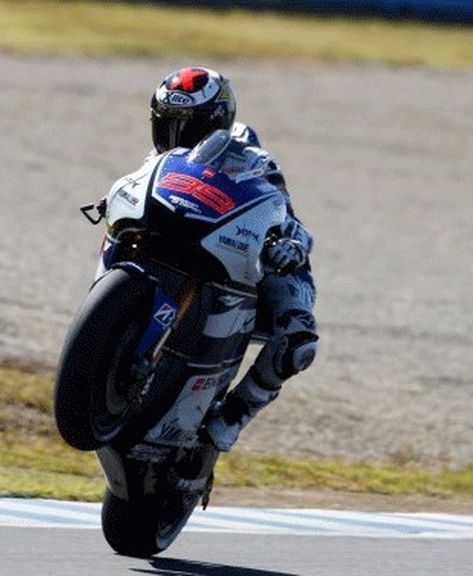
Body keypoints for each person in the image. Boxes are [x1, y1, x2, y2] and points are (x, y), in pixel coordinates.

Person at [148, 66, 319, 452]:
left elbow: (286, 213)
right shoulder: (156, 163)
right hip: (176, 234)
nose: (175, 139)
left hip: (251, 254)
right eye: (167, 125)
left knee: (299, 341)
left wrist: (291, 244)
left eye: (187, 129)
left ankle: (227, 423)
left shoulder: (249, 153)